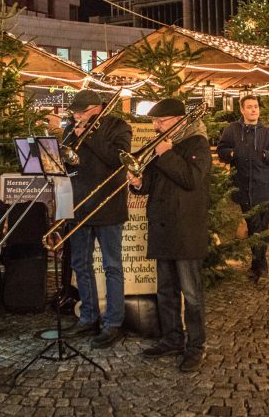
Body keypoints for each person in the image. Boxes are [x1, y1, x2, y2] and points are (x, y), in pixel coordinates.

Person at [128, 99, 211, 373]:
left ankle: (196, 346)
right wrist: (139, 183)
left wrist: (166, 154)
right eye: (154, 122)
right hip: (162, 226)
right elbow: (152, 182)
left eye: (161, 122)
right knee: (165, 291)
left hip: (186, 229)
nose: (156, 126)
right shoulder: (160, 147)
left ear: (177, 120)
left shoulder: (196, 143)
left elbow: (191, 179)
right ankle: (172, 338)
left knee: (191, 293)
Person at [63, 90, 132, 347]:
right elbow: (68, 160)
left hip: (108, 206)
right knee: (81, 264)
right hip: (79, 204)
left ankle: (113, 322)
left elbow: (118, 160)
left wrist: (88, 136)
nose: (77, 116)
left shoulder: (118, 126)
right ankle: (88, 316)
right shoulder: (72, 127)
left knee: (112, 266)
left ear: (97, 108)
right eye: (75, 113)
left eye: (81, 112)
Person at [216, 95, 269, 282]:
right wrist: (232, 153)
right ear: (242, 110)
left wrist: (265, 154)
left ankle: (259, 265)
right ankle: (260, 264)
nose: (254, 110)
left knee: (261, 225)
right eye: (250, 107)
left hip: (263, 186)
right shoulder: (232, 130)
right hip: (243, 185)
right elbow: (222, 150)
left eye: (256, 107)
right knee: (254, 225)